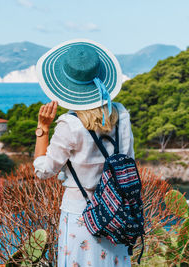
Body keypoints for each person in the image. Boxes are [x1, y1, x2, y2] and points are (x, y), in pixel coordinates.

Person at [33, 39, 134, 267]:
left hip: (81, 214)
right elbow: (128, 162)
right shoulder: (121, 114)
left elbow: (43, 171)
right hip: (117, 210)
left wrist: (43, 129)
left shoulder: (70, 124)